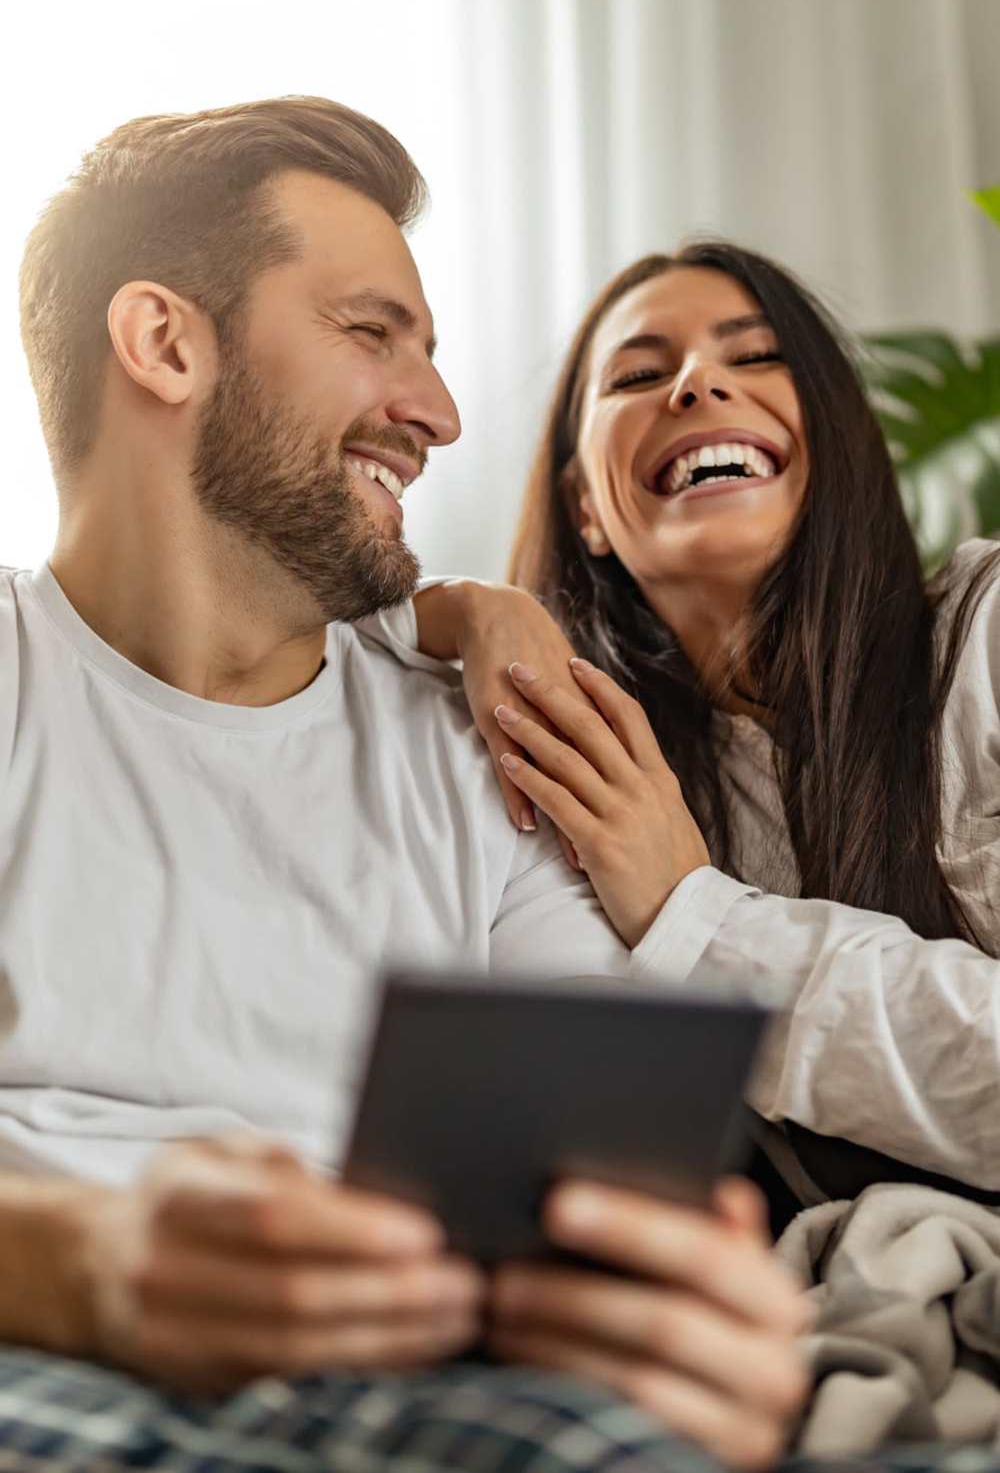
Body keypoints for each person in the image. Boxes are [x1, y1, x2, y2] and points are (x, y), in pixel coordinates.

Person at [0, 101, 809, 1472]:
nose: (433, 413)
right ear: (165, 343)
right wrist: (87, 1265)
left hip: (430, 1383)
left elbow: (607, 1184)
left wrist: (676, 1315)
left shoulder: (480, 740)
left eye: (428, 354)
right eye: (371, 334)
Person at [403, 243, 1000, 1222]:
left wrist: (693, 917)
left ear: (836, 437)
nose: (696, 383)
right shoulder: (586, 769)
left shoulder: (981, 633)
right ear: (586, 509)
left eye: (756, 356)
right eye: (639, 374)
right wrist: (465, 608)